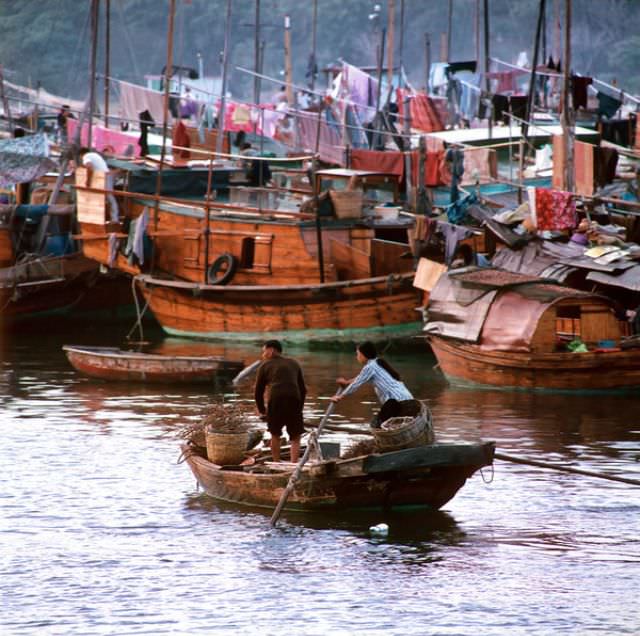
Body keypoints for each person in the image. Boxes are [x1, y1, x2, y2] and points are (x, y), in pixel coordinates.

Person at [330, 341, 420, 428]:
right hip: (408, 399)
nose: (357, 357)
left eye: (358, 354)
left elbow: (356, 384)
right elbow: (360, 378)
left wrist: (340, 396)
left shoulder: (370, 367)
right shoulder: (377, 362)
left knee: (378, 425)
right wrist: (347, 382)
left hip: (397, 402)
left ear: (363, 355)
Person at [254, 340, 306, 463]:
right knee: (295, 436)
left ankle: (276, 462)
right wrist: (300, 407)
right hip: (295, 400)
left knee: (275, 434)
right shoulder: (294, 363)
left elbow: (258, 392)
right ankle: (294, 464)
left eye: (264, 351)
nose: (263, 355)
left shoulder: (265, 366)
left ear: (271, 350)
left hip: (276, 400)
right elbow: (303, 389)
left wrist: (262, 410)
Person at [80, 147, 119, 222]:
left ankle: (114, 220)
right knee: (109, 198)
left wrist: (88, 180)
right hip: (106, 175)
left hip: (104, 176)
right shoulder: (94, 155)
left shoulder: (86, 156)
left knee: (109, 198)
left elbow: (89, 166)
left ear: (81, 155)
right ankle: (114, 219)